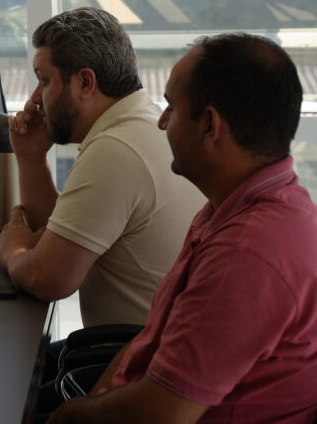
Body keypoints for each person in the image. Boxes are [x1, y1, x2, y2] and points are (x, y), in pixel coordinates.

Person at [50, 33, 317, 423]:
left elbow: (163, 413)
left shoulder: (246, 253)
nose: (161, 122)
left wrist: (71, 415)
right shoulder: (236, 206)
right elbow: (152, 337)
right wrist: (96, 396)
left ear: (209, 125)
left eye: (172, 108)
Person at [0, 7, 203, 328]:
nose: (36, 98)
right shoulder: (140, 123)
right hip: (153, 345)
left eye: (44, 81)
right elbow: (57, 237)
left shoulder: (116, 149)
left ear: (85, 82)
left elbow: (47, 278)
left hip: (131, 354)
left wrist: (13, 250)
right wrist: (30, 157)